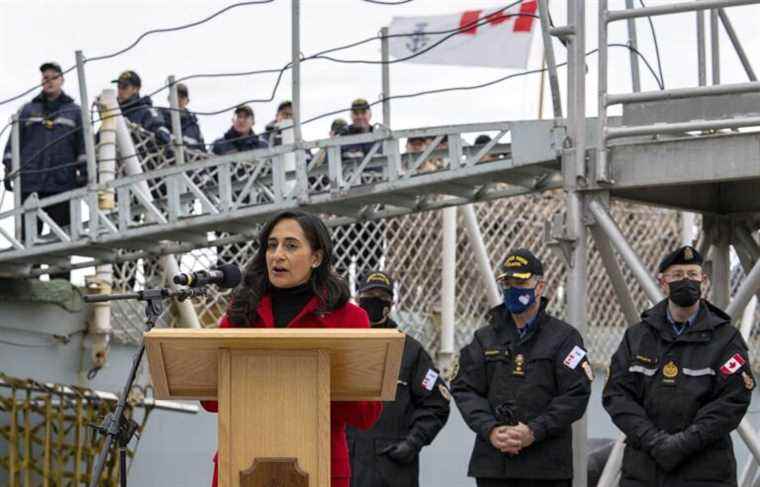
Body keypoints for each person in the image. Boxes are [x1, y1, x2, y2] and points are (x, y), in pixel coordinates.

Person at [201, 210, 382, 487]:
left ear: (316, 258)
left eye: (291, 245)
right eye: (272, 245)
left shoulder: (348, 319)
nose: (278, 255)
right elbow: (211, 401)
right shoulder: (242, 312)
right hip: (241, 466)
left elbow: (366, 414)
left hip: (318, 469)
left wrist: (317, 377)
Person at [603, 245, 753, 487]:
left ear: (703, 280)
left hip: (705, 472)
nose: (686, 281)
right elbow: (617, 395)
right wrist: (653, 440)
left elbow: (732, 400)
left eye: (692, 275)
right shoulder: (637, 336)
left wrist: (684, 443)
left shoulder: (726, 338)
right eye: (678, 275)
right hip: (645, 472)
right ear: (663, 282)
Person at [451, 248, 592, 487]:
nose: (513, 288)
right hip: (494, 466)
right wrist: (491, 430)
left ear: (539, 286)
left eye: (520, 281)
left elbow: (575, 394)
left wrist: (534, 431)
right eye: (507, 281)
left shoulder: (564, 337)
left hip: (546, 469)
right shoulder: (484, 338)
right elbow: (465, 389)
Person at [347, 271, 450, 487]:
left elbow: (436, 404)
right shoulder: (344, 345)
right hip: (348, 465)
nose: (375, 299)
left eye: (382, 296)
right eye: (370, 293)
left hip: (392, 470)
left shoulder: (411, 352)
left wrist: (413, 443)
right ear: (357, 299)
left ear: (391, 303)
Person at [2, 61, 86, 281]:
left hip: (62, 185)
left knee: (61, 240)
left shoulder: (75, 112)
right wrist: (8, 169)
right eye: (44, 77)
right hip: (30, 185)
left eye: (53, 77)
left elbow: (83, 147)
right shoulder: (27, 110)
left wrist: (84, 174)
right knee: (29, 242)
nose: (48, 80)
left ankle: (61, 287)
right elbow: (13, 144)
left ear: (62, 79)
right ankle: (29, 286)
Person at [113, 70, 171, 148]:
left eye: (124, 87)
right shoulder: (113, 114)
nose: (120, 91)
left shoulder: (147, 111)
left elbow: (162, 131)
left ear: (136, 89)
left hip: (139, 157)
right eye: (118, 87)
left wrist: (160, 133)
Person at [159, 82, 206, 152]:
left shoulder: (194, 125)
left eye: (182, 97)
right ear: (169, 98)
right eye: (176, 96)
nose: (179, 100)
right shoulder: (161, 119)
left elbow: (202, 149)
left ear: (187, 101)